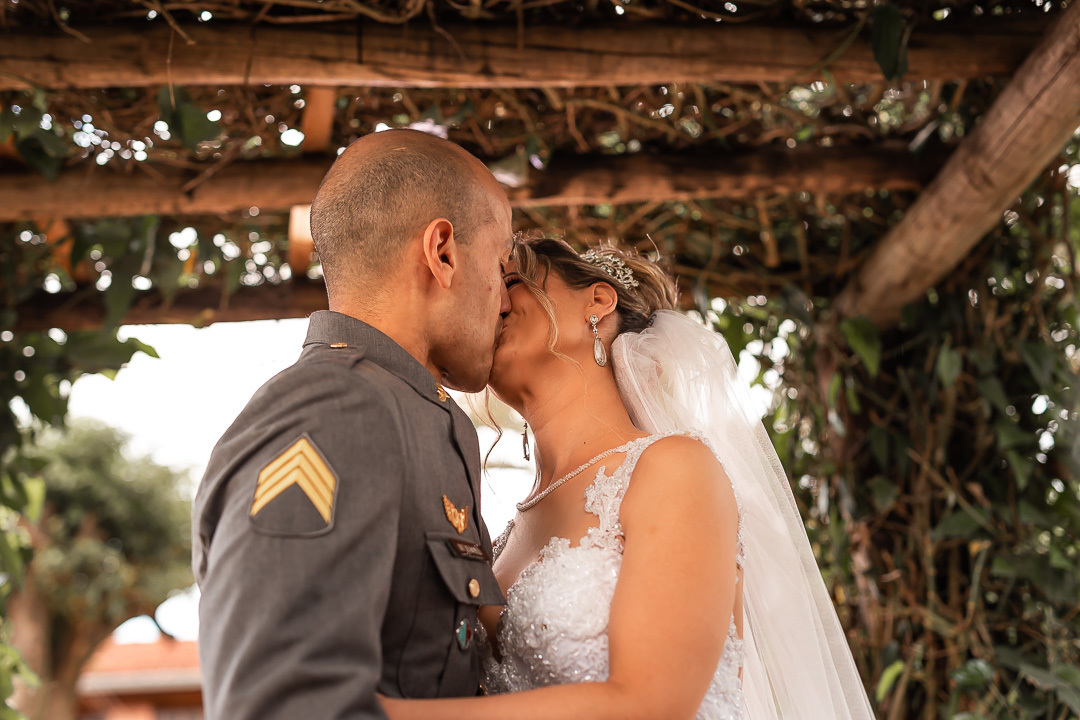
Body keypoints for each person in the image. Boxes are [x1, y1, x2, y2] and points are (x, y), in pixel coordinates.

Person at [381, 237, 876, 719]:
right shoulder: (498, 534)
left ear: (597, 302)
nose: (496, 302)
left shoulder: (673, 469)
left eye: (511, 282)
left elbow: (652, 705)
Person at [192, 128, 515, 720]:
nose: (506, 299)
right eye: (501, 263)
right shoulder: (336, 410)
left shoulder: (422, 416)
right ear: (442, 252)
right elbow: (282, 708)